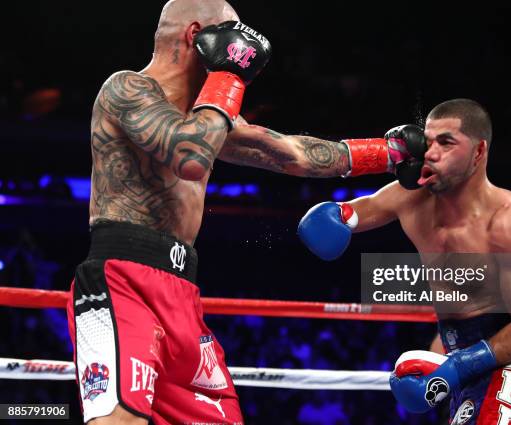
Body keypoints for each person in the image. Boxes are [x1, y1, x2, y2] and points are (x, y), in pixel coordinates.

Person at [66, 0, 423, 423]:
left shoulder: (210, 119)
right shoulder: (127, 89)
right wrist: (229, 75)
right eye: (232, 33)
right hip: (122, 280)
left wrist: (389, 153)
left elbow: (293, 154)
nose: (243, 47)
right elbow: (190, 156)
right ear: (196, 35)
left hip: (181, 291)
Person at [298, 98, 511, 424]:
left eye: (446, 143)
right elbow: (343, 215)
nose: (432, 153)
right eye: (428, 142)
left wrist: (455, 367)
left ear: (478, 152)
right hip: (461, 347)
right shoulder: (410, 198)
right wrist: (336, 215)